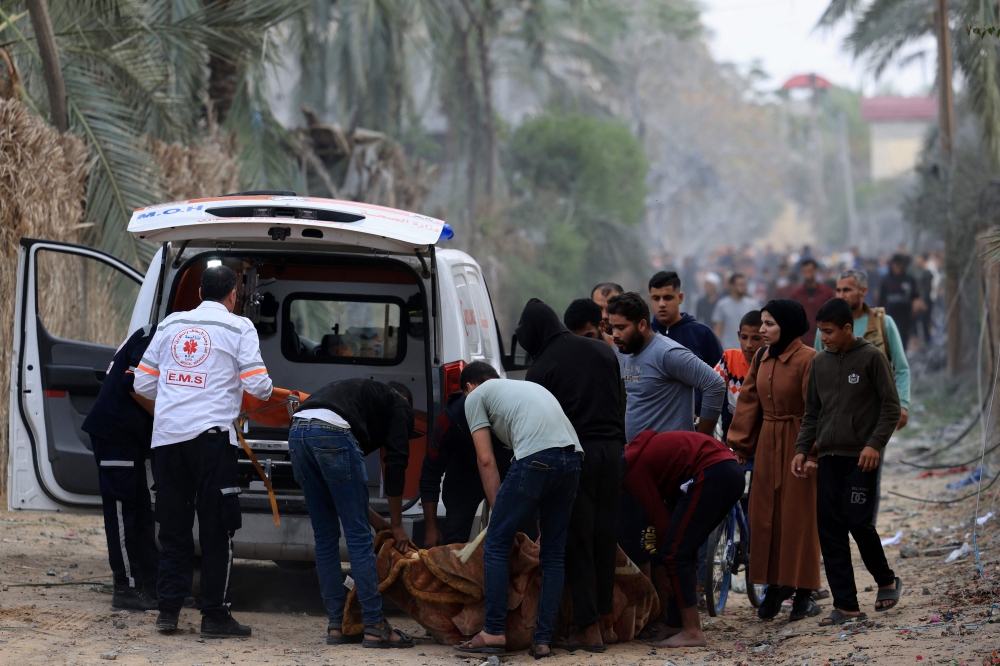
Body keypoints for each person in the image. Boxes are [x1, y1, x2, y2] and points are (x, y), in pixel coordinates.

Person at [135, 265, 273, 638]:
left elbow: (144, 381)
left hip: (167, 441)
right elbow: (258, 387)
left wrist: (179, 394)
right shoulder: (239, 327)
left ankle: (168, 612)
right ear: (233, 296)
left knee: (174, 527)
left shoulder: (170, 325)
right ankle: (214, 616)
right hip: (211, 443)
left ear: (198, 293)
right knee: (216, 529)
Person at [515, 299, 625, 654]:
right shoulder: (602, 350)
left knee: (577, 542)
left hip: (576, 454)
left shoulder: (541, 368)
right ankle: (605, 623)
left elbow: (538, 427)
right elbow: (621, 400)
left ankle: (589, 630)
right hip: (613, 452)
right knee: (604, 537)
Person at [455, 362, 582, 658]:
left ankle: (494, 631)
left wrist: (500, 514)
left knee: (497, 543)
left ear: (468, 387)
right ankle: (542, 640)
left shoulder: (474, 396)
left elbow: (485, 460)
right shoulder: (523, 389)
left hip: (536, 458)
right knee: (553, 553)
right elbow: (551, 454)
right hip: (572, 460)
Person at [793, 298, 903, 626]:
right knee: (830, 528)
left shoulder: (871, 357)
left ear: (846, 328)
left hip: (862, 458)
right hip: (828, 456)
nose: (822, 337)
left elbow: (891, 407)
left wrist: (874, 445)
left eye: (828, 331)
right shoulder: (820, 364)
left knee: (858, 521)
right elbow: (812, 412)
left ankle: (886, 580)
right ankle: (846, 605)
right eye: (820, 331)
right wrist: (802, 449)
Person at [289, 378, 417, 648]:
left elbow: (344, 489)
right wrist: (397, 525)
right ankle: (375, 626)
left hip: (298, 430)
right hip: (331, 430)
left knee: (325, 537)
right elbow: (395, 464)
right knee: (358, 537)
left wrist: (378, 520)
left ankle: (338, 625)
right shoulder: (399, 406)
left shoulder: (358, 400)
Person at [727, 299, 822, 622]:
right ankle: (775, 586)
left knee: (798, 518)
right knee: (765, 515)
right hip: (768, 443)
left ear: (788, 326)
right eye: (761, 324)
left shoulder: (809, 359)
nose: (762, 330)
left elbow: (816, 410)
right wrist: (740, 446)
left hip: (798, 442)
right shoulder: (764, 358)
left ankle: (804, 593)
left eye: (769, 324)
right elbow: (749, 402)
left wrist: (811, 453)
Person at [622, 431, 745, 647]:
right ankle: (676, 624)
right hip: (728, 470)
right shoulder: (639, 453)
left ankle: (692, 631)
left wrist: (668, 565)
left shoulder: (631, 469)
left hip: (713, 472)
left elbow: (660, 523)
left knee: (675, 554)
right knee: (681, 550)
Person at [82, 324, 159, 611]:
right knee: (123, 514)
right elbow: (133, 383)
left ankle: (150, 584)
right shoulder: (156, 336)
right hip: (116, 433)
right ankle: (125, 586)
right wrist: (166, 415)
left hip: (129, 438)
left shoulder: (152, 333)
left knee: (140, 512)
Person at [607, 292, 726, 443]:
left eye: (621, 327)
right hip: (637, 456)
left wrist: (701, 441)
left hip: (673, 458)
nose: (615, 334)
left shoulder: (667, 353)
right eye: (612, 328)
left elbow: (715, 384)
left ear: (642, 325)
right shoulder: (623, 351)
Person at [816, 270, 910, 430]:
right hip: (836, 413)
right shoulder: (826, 329)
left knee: (872, 454)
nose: (841, 295)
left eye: (847, 290)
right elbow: (815, 372)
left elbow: (901, 369)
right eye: (838, 290)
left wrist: (902, 404)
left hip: (875, 412)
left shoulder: (883, 323)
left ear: (863, 291)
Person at [420, 386, 512, 547]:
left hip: (507, 470)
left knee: (523, 534)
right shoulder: (451, 418)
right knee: (454, 540)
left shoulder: (512, 411)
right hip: (463, 477)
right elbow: (430, 473)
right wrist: (431, 528)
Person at [648, 271, 723, 370]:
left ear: (680, 298)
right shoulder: (643, 335)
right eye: (656, 298)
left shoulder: (703, 335)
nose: (661, 304)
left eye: (668, 298)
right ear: (650, 299)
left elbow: (721, 377)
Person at [714, 310, 764, 440]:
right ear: (738, 335)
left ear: (766, 337)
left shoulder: (772, 364)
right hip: (733, 429)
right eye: (744, 337)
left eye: (756, 338)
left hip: (762, 433)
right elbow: (710, 383)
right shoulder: (729, 358)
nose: (748, 345)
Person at [789, 259, 836, 347]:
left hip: (824, 340)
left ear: (816, 271)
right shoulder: (796, 294)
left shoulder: (827, 293)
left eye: (809, 271)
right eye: (804, 271)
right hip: (802, 341)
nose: (807, 274)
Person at [878, 254, 920, 351]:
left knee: (903, 339)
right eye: (895, 265)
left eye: (899, 265)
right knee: (891, 340)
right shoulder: (886, 280)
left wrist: (915, 307)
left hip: (905, 315)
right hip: (890, 315)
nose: (897, 268)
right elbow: (881, 299)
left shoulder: (909, 279)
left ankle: (901, 360)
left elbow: (915, 296)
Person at [713, 273, 762, 350]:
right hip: (728, 350)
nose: (743, 287)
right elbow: (718, 329)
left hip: (748, 350)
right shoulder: (722, 305)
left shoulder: (753, 305)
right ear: (731, 285)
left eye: (744, 284)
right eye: (740, 284)